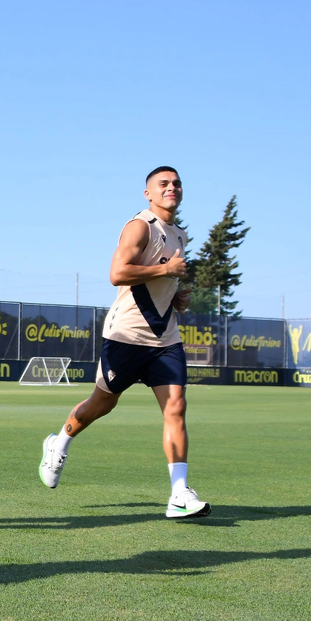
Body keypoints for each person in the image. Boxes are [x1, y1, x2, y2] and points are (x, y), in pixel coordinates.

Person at [38, 166, 208, 519]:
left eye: (176, 183)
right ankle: (60, 441)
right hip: (127, 333)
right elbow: (118, 273)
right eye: (163, 184)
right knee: (101, 404)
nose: (171, 188)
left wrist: (175, 296)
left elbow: (162, 279)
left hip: (165, 337)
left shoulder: (179, 234)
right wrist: (166, 272)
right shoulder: (140, 226)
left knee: (176, 406)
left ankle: (179, 493)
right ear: (148, 193)